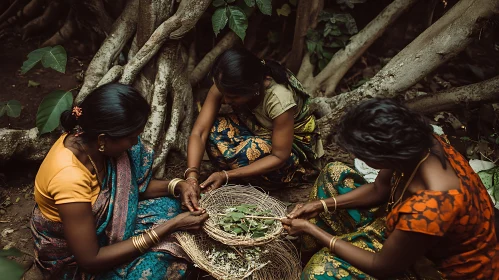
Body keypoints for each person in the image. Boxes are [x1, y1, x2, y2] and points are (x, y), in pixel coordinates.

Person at [281, 98, 498, 279]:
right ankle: (310, 252)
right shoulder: (416, 145)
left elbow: (381, 264)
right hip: (406, 228)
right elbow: (379, 190)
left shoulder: (433, 206)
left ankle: (322, 252)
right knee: (333, 174)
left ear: (382, 156)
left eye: (362, 155)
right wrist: (321, 205)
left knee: (321, 269)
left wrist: (313, 230)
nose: (356, 158)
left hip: (431, 268)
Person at [30, 83, 208, 279]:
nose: (136, 143)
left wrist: (177, 185)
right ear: (103, 140)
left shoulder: (95, 144)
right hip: (80, 257)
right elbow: (90, 260)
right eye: (132, 137)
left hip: (103, 228)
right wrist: (172, 225)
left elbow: (131, 190)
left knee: (177, 206)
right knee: (158, 266)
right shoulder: (68, 178)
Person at [184, 48, 323, 193]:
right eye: (224, 94)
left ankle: (261, 178)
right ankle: (244, 174)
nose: (225, 101)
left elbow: (279, 156)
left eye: (232, 97)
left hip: (289, 153)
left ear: (254, 88)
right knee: (213, 130)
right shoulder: (227, 83)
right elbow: (199, 132)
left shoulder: (279, 99)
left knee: (251, 149)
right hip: (257, 133)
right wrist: (191, 177)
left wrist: (226, 175)